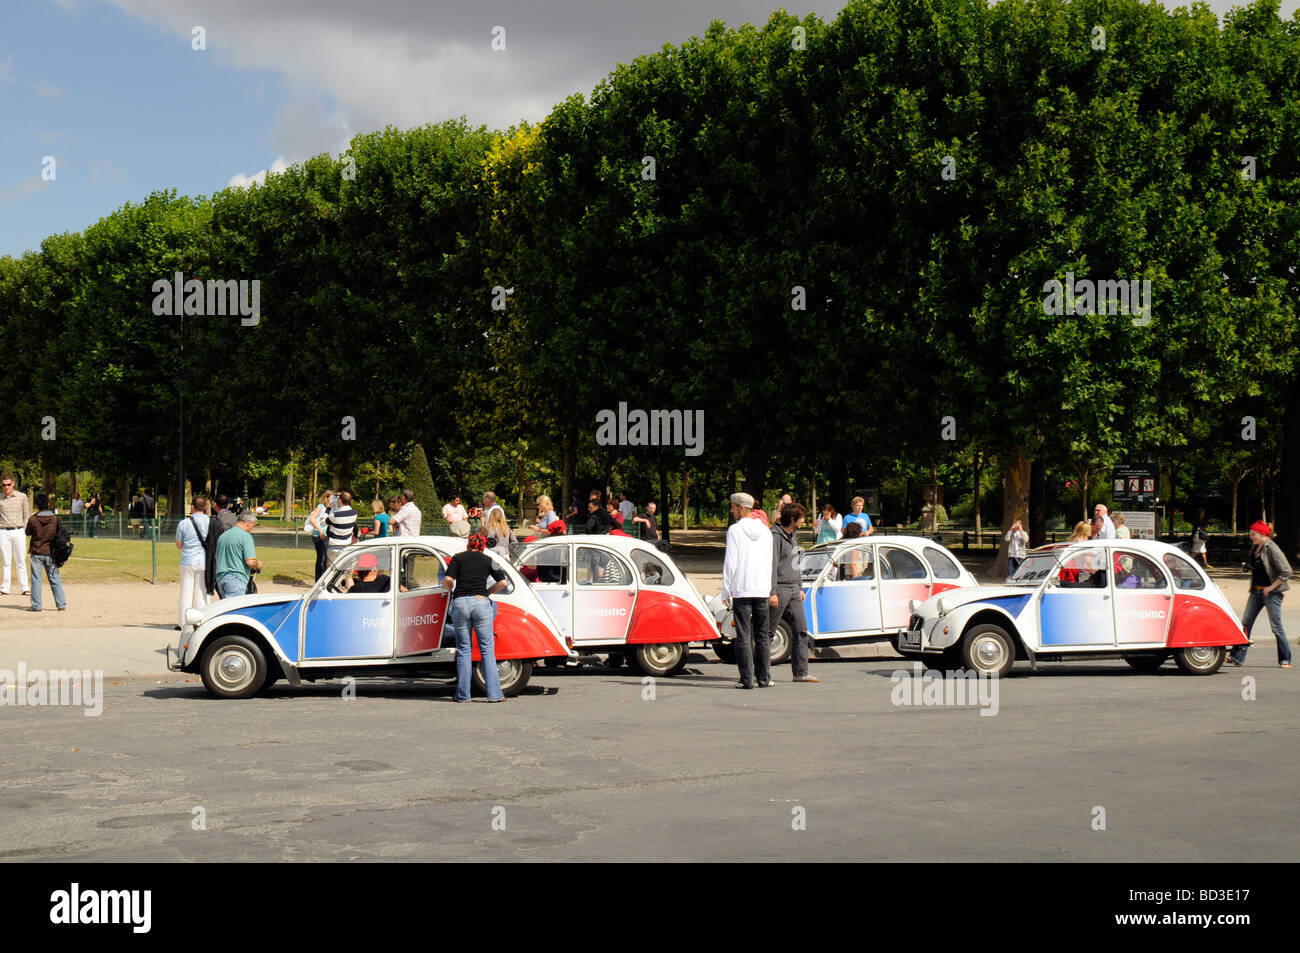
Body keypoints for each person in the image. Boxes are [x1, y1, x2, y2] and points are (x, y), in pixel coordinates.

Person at [442, 532, 508, 702]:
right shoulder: (488, 560)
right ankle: (494, 695)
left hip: (460, 603)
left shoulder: (457, 558)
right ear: (483, 547)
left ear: (468, 545)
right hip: (481, 603)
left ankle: (463, 695)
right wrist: (486, 593)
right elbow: (502, 582)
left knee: (464, 650)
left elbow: (448, 579)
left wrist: (450, 588)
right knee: (487, 649)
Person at [720, 492, 774, 690]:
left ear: (741, 507)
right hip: (761, 588)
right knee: (762, 635)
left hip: (742, 588)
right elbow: (770, 562)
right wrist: (768, 587)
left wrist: (726, 589)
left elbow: (731, 562)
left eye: (733, 507)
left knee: (743, 635)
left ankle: (746, 679)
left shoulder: (735, 530)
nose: (732, 511)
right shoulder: (766, 531)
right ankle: (764, 678)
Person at [1228, 522, 1291, 668]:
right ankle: (1236, 657)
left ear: (1262, 534)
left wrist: (1271, 587)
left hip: (1271, 593)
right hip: (1256, 591)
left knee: (1276, 627)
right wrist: (1247, 565)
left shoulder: (1272, 549)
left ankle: (1285, 659)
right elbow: (1258, 565)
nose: (1250, 537)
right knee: (1245, 625)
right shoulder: (1256, 546)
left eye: (1253, 534)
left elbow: (1286, 571)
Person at [771, 502, 817, 682]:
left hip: (793, 588)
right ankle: (761, 673)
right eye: (802, 518)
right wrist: (772, 591)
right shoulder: (775, 536)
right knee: (769, 631)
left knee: (801, 628)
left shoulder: (793, 535)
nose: (804, 521)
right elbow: (772, 565)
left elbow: (796, 563)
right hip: (780, 588)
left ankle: (801, 672)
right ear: (792, 519)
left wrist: (799, 586)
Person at [174, 495, 211, 630]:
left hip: (187, 560)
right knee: (202, 592)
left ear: (192, 507)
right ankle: (203, 620)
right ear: (205, 507)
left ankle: (183, 623)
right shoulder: (209, 522)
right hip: (203, 559)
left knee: (186, 592)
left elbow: (179, 544)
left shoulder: (183, 523)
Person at [25, 493, 66, 611]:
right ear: (48, 504)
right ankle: (61, 604)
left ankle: (36, 605)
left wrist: (32, 518)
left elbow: (27, 532)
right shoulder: (55, 518)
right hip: (50, 552)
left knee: (36, 580)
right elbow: (60, 533)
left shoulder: (33, 520)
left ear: (36, 505)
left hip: (36, 551)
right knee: (55, 579)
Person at [214, 510, 263, 599]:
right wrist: (258, 564)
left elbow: (217, 559)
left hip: (220, 578)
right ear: (248, 523)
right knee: (233, 609)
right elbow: (250, 562)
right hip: (236, 578)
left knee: (225, 608)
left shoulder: (223, 536)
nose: (252, 528)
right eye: (253, 526)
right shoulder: (246, 536)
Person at [0, 474, 32, 597]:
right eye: (4, 485)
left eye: (8, 484)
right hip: (3, 531)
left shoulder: (22, 496)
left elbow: (26, 514)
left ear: (13, 484)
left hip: (18, 530)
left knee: (21, 560)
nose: (6, 487)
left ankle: (24, 587)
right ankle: (5, 587)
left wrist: (23, 530)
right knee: (5, 561)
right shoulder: (0, 498)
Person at [306, 490, 334, 580]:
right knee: (321, 558)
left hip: (326, 534)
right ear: (326, 497)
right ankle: (319, 579)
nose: (333, 500)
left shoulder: (330, 508)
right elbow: (312, 519)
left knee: (325, 557)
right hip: (319, 535)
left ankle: (324, 579)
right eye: (331, 498)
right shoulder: (321, 507)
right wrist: (320, 531)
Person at [324, 490, 358, 564]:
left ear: (340, 500)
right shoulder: (354, 513)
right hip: (346, 547)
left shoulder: (335, 515)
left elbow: (323, 522)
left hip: (334, 547)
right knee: (346, 573)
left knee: (332, 573)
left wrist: (329, 508)